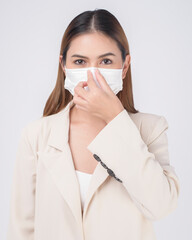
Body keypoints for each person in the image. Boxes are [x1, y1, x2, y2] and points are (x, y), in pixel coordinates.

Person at [6, 8, 180, 240]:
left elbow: (161, 205)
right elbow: (21, 229)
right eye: (80, 61)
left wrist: (116, 119)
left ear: (125, 66)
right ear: (64, 66)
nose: (92, 74)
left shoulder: (150, 130)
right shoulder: (36, 135)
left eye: (106, 61)